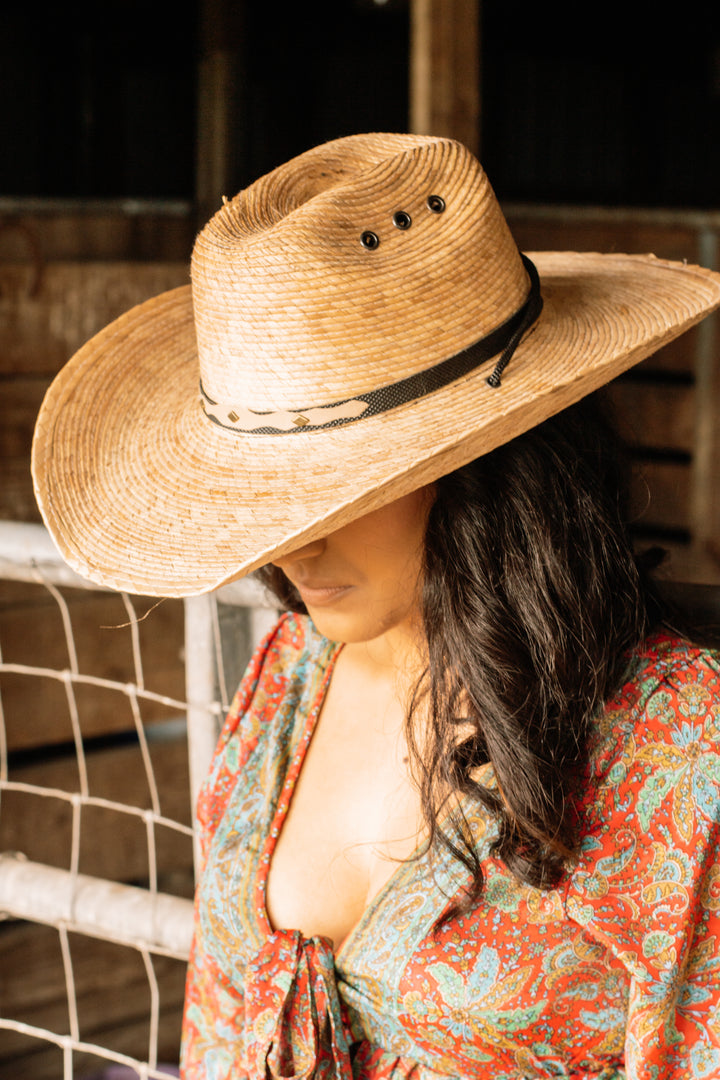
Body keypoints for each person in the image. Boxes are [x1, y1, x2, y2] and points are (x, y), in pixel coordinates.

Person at [31, 134, 720, 1079]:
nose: (291, 544)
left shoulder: (677, 747)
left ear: (484, 461)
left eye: (340, 490)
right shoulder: (290, 675)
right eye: (272, 496)